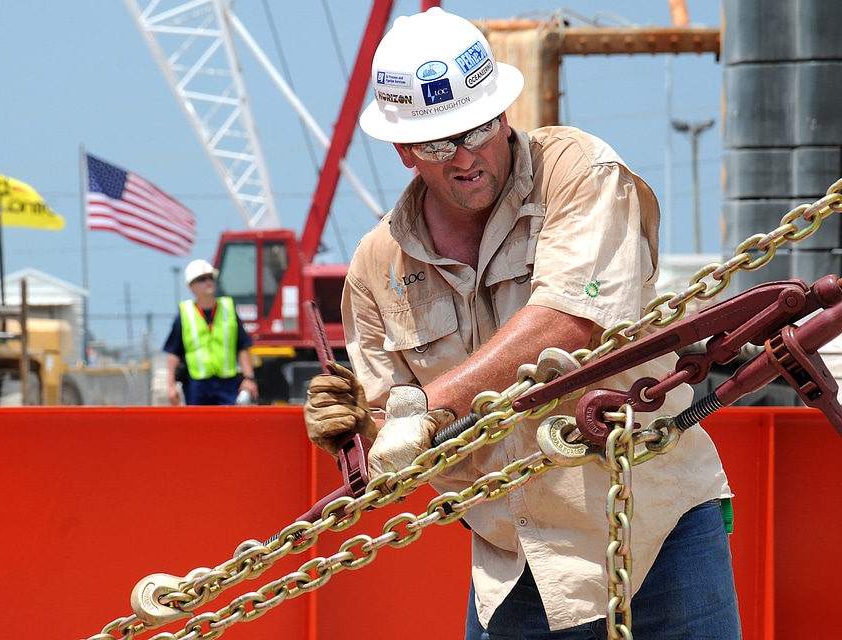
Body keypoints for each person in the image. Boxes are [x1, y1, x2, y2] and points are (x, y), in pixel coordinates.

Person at [304, 7, 740, 640]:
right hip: (517, 563)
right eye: (436, 143)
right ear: (401, 150)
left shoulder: (577, 173)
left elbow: (570, 320)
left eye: (478, 129)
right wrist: (354, 432)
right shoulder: (377, 269)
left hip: (658, 531)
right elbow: (394, 443)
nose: (465, 157)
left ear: (503, 113)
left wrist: (427, 406)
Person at [163, 259, 259, 406]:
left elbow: (242, 346)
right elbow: (173, 353)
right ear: (191, 286)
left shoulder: (228, 309)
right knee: (198, 427)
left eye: (210, 277)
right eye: (202, 279)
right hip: (196, 384)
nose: (208, 282)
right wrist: (171, 386)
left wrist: (249, 378)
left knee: (229, 426)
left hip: (227, 383)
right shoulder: (185, 314)